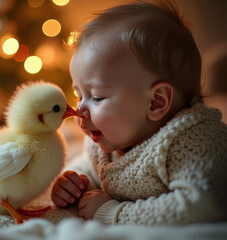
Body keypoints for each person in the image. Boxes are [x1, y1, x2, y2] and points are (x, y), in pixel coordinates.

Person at [51, 0, 227, 225]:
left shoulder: (192, 142)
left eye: (96, 97)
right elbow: (91, 166)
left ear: (155, 102)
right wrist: (72, 183)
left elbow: (200, 206)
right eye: (78, 94)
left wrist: (115, 213)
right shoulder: (107, 142)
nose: (80, 110)